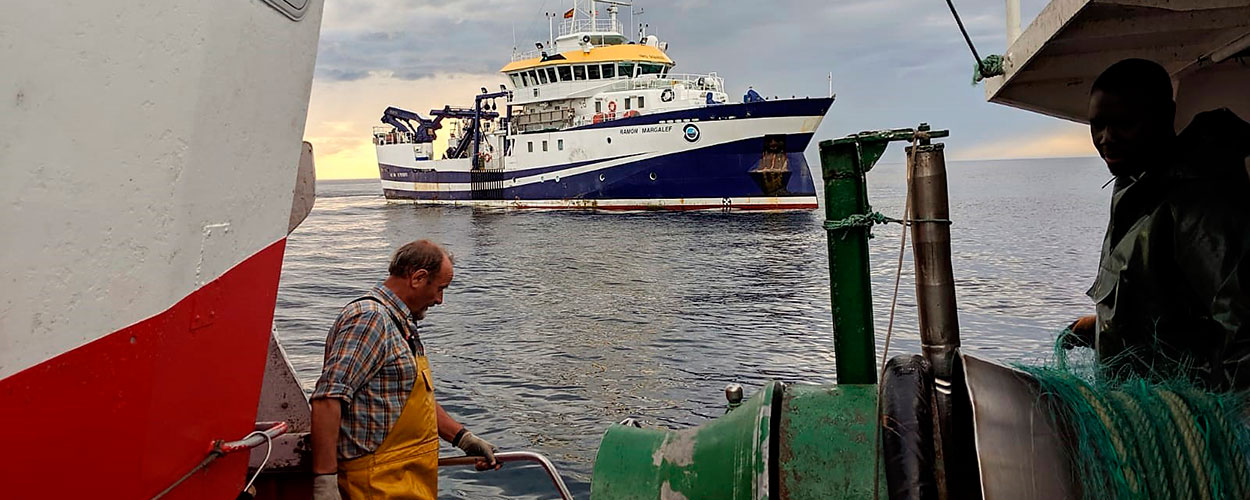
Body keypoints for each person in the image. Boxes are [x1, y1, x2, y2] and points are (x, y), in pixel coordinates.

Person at [1064, 58, 1250, 390]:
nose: (1106, 138)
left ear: (1165, 115)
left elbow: (1242, 331)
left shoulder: (1200, 205)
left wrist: (1210, 416)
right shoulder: (1137, 183)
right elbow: (1169, 304)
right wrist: (1102, 327)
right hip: (1133, 406)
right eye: (1097, 125)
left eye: (1124, 123)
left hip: (1176, 412)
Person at [310, 240, 499, 500]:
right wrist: (325, 480)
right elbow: (328, 398)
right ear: (418, 278)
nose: (439, 300)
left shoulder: (401, 323)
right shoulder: (371, 319)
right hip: (374, 485)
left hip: (404, 481)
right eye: (440, 289)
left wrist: (462, 438)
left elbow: (409, 397)